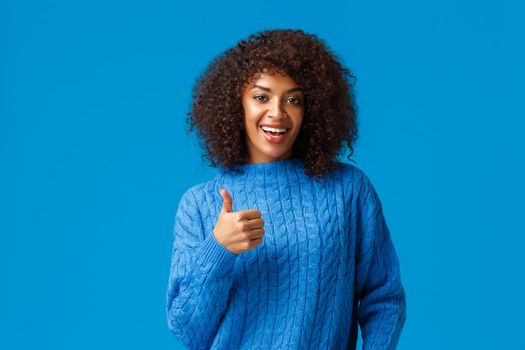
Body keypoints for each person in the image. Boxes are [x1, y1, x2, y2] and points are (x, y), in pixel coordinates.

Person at [165, 29, 407, 349]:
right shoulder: (199, 204)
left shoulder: (348, 190)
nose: (277, 113)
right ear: (236, 103)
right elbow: (187, 330)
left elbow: (385, 299)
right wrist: (219, 248)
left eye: (292, 100)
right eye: (261, 97)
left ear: (312, 110)